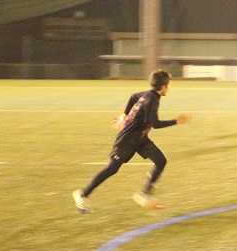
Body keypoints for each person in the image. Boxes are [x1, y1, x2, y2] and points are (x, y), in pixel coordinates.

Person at [72, 70, 190, 213]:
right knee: (112, 168)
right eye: (168, 85)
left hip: (140, 138)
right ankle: (82, 194)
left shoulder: (147, 94)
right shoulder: (152, 100)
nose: (169, 88)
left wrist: (125, 115)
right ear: (164, 86)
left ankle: (144, 194)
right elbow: (155, 124)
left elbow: (133, 96)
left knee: (160, 161)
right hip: (127, 139)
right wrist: (176, 121)